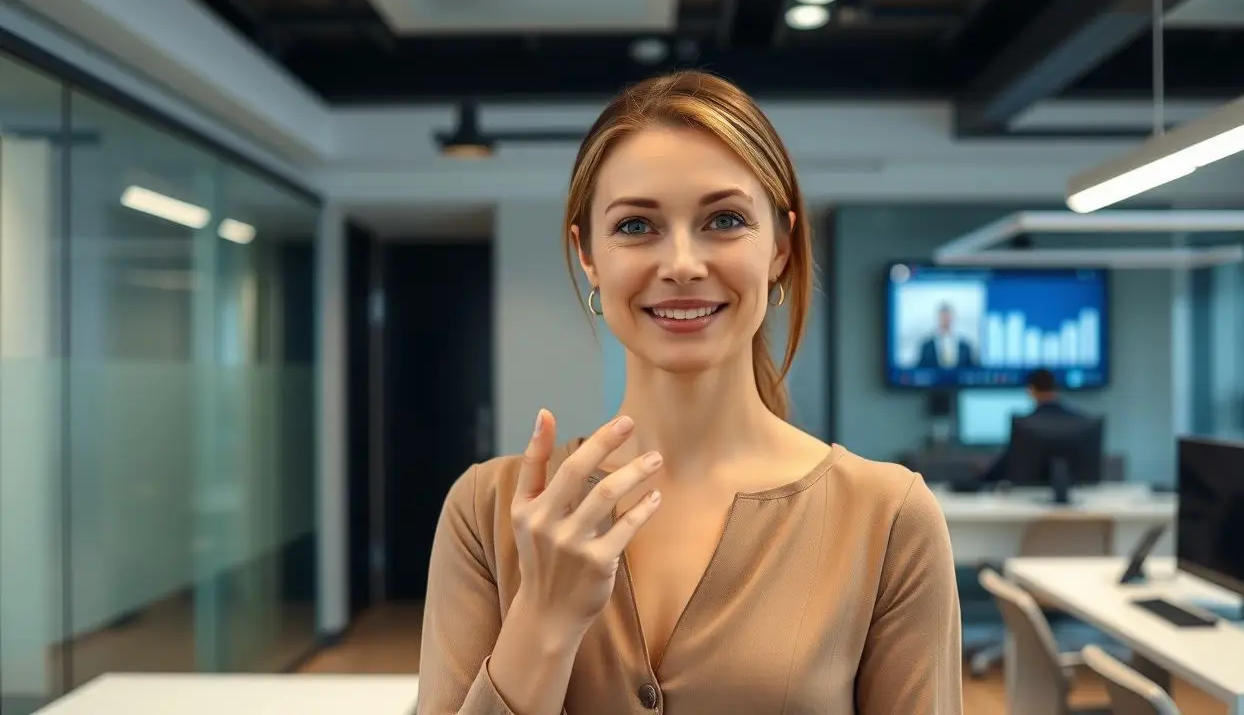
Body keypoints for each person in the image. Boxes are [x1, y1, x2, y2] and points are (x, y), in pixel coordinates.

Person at [417, 71, 962, 715]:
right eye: (635, 227)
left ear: (780, 247)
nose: (680, 263)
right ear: (587, 253)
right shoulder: (488, 511)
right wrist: (543, 620)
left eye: (724, 220)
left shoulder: (887, 518)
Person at [983, 368, 1086, 484]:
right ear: (1056, 388)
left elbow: (1006, 464)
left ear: (1031, 390)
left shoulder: (1025, 426)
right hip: (1078, 495)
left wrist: (980, 479)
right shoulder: (1080, 421)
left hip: (1027, 496)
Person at [916, 303, 977, 369]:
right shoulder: (926, 346)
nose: (945, 320)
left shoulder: (965, 346)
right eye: (943, 317)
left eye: (947, 317)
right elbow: (920, 370)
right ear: (938, 318)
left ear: (952, 318)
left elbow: (973, 370)